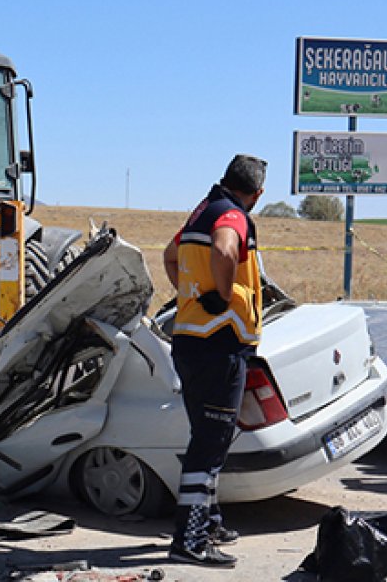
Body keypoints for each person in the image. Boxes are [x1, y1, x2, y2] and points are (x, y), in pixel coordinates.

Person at [159, 154, 267, 568]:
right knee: (210, 443)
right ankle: (189, 541)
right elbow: (224, 249)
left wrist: (192, 294)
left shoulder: (200, 213)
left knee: (207, 436)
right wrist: (222, 296)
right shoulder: (233, 216)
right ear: (257, 193)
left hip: (190, 340)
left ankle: (208, 522)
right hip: (219, 345)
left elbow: (170, 256)